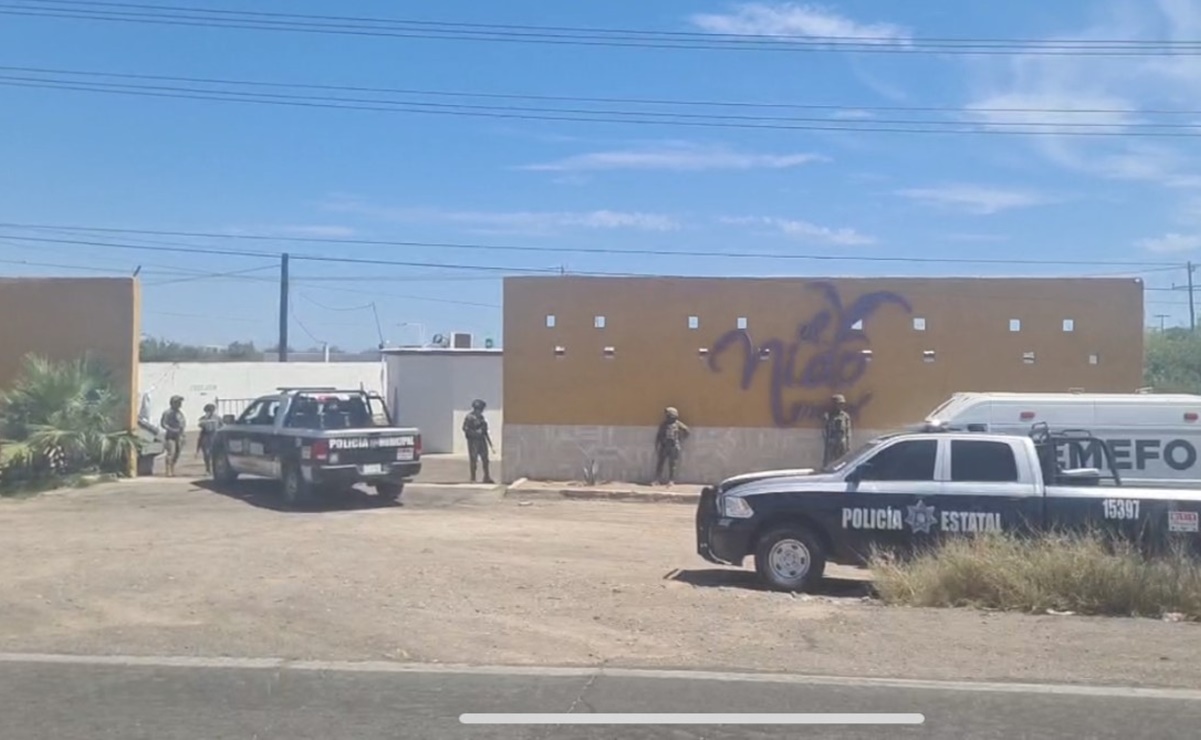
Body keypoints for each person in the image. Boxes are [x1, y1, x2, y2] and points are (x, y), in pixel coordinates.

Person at [654, 406, 690, 486]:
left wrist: (680, 439)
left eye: (668, 415)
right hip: (664, 445)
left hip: (674, 446)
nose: (667, 417)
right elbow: (659, 435)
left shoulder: (678, 424)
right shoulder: (663, 424)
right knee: (660, 463)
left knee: (672, 464)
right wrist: (657, 444)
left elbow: (687, 431)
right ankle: (657, 479)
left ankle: (671, 480)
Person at [462, 398, 495, 484]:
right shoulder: (469, 417)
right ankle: (473, 478)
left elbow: (485, 430)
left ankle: (486, 476)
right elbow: (465, 428)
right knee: (473, 459)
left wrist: (484, 432)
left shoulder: (481, 417)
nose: (481, 411)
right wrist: (475, 432)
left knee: (485, 459)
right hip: (473, 442)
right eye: (480, 409)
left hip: (482, 440)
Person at [822, 394, 852, 468]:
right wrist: (828, 440)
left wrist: (848, 444)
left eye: (842, 404)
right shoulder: (828, 415)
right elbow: (824, 430)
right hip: (831, 442)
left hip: (842, 441)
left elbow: (848, 431)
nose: (841, 406)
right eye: (839, 404)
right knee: (829, 462)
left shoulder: (845, 416)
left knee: (843, 462)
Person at [160, 395, 186, 477]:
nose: (179, 404)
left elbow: (183, 423)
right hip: (170, 435)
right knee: (170, 452)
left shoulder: (180, 413)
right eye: (178, 402)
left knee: (178, 452)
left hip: (180, 435)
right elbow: (163, 424)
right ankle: (168, 470)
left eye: (180, 402)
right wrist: (171, 429)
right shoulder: (167, 413)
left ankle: (172, 467)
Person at [196, 403, 220, 475]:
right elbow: (200, 425)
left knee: (214, 454)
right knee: (206, 454)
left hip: (214, 436)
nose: (209, 412)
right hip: (206, 436)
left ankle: (214, 469)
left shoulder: (217, 418)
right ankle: (208, 469)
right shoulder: (203, 418)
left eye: (211, 410)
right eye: (208, 410)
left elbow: (221, 425)